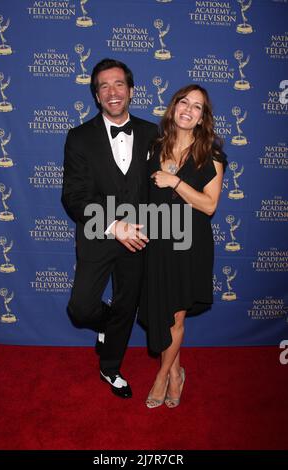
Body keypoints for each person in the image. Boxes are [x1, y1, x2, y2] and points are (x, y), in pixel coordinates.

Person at [62, 58, 158, 399]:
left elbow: (165, 186)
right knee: (81, 307)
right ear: (96, 95)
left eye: (118, 84)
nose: (112, 92)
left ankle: (110, 367)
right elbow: (74, 197)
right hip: (98, 233)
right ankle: (106, 325)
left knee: (127, 303)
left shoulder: (153, 133)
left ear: (131, 91)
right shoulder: (79, 137)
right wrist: (113, 225)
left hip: (141, 236)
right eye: (104, 86)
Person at [138, 84, 226, 408]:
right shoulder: (154, 146)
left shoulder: (211, 155)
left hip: (190, 245)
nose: (189, 110)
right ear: (174, 107)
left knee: (175, 318)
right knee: (161, 313)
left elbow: (209, 205)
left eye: (198, 107)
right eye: (184, 102)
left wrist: (175, 180)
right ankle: (177, 372)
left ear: (203, 117)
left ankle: (164, 377)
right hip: (158, 242)